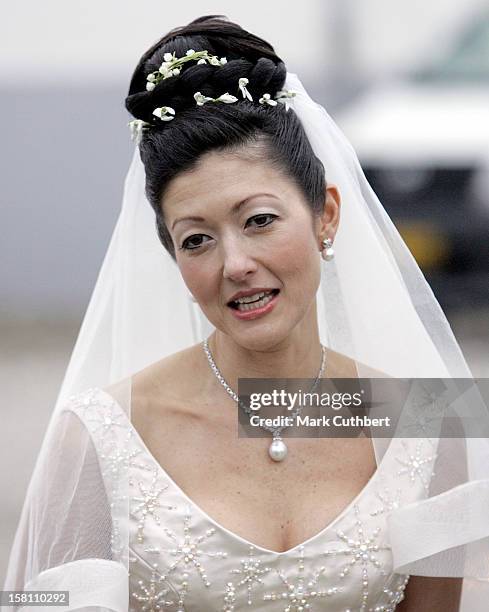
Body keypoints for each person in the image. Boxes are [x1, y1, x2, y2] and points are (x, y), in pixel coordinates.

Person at [4, 14, 489, 612]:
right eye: (196, 240)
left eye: (259, 220)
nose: (234, 264)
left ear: (326, 215)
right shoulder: (97, 437)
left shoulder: (431, 424)